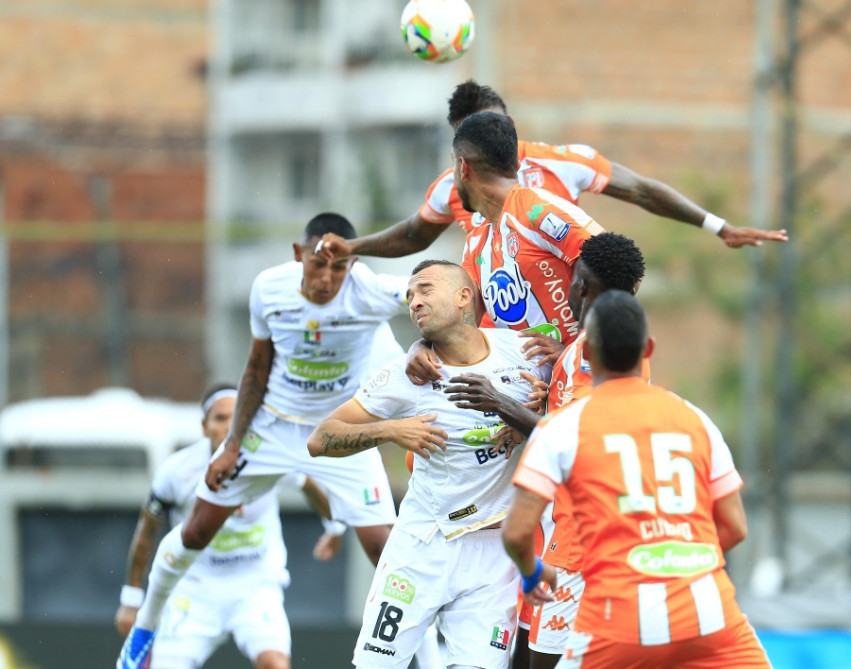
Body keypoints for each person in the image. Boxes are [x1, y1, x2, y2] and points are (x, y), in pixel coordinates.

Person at [117, 213, 408, 669]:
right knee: (193, 530)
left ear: (354, 264)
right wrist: (233, 443)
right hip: (272, 429)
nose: (327, 279)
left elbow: (435, 291)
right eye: (318, 265)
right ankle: (144, 632)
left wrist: (434, 345)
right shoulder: (268, 288)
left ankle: (431, 654)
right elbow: (256, 367)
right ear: (298, 254)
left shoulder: (372, 291)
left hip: (337, 433)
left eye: (340, 268)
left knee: (385, 552)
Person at [503, 291, 771, 668]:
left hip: (618, 617)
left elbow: (516, 533)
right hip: (709, 615)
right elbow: (735, 526)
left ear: (587, 354)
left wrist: (531, 575)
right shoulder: (694, 417)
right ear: (649, 348)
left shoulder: (562, 427)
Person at [307, 260, 553, 669]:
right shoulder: (409, 376)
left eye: (425, 290)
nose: (414, 302)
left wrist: (533, 414)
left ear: (463, 296)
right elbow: (320, 439)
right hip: (422, 545)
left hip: (495, 555)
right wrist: (391, 430)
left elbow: (572, 418)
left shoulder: (524, 353)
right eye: (409, 297)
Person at [314, 79, 787, 265]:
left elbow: (642, 191)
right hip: (497, 332)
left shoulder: (563, 162)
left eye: (496, 125)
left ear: (512, 124)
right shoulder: (450, 187)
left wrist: (718, 226)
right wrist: (354, 247)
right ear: (460, 150)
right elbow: (413, 236)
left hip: (564, 324)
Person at [446, 232, 647, 668]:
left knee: (538, 662)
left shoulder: (594, 352)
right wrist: (558, 365)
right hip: (570, 532)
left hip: (578, 541)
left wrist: (498, 402)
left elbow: (577, 441)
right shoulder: (600, 346)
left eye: (578, 282)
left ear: (583, 286)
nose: (571, 291)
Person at [114, 382, 340, 669]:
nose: (228, 426)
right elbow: (147, 530)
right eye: (220, 418)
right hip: (193, 590)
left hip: (255, 586)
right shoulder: (177, 471)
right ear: (203, 425)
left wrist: (335, 529)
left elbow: (309, 485)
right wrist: (131, 598)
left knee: (275, 663)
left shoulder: (270, 458)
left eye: (236, 417)